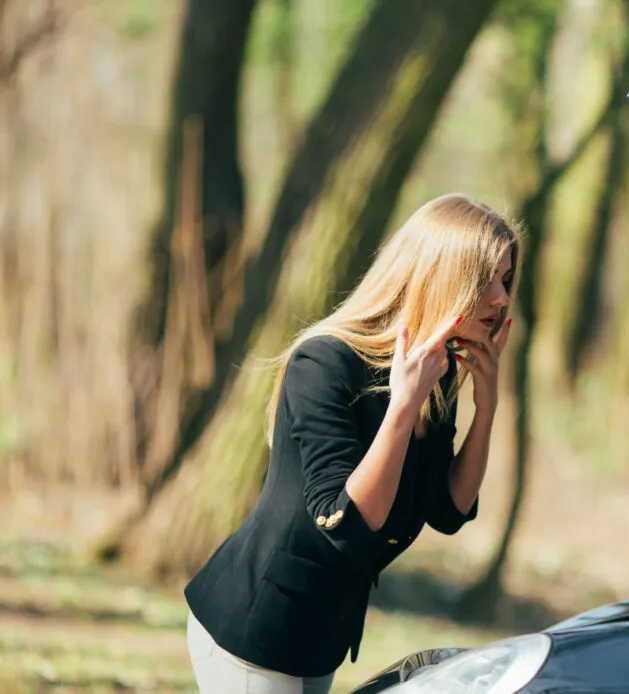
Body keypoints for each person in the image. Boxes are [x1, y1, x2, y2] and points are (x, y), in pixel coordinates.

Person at [183, 193, 521, 693]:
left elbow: (449, 511)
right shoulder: (323, 364)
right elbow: (347, 522)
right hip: (255, 629)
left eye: (506, 280)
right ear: (437, 276)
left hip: (322, 634)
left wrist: (487, 408)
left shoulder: (438, 372)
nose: (502, 298)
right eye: (486, 280)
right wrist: (404, 407)